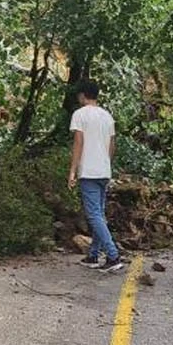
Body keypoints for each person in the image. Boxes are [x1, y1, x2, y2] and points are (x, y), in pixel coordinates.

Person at [68, 81, 125, 272]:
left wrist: (73, 170)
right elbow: (112, 145)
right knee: (99, 214)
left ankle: (113, 255)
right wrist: (106, 164)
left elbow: (78, 142)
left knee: (93, 215)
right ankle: (93, 255)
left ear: (83, 95)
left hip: (89, 171)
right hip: (103, 170)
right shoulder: (107, 116)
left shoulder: (80, 114)